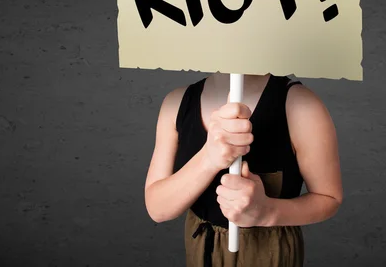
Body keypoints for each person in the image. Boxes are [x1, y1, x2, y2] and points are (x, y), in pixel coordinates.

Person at [144, 72, 343, 267]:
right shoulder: (176, 103)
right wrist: (208, 159)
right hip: (200, 250)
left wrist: (267, 212)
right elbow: (158, 209)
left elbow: (329, 198)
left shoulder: (301, 105)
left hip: (268, 254)